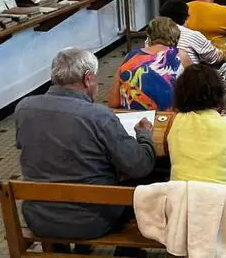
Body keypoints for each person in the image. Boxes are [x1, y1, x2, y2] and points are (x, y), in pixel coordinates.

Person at [15, 48, 155, 240]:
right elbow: (140, 166)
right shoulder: (98, 115)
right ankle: (126, 251)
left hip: (40, 218)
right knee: (148, 176)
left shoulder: (24, 108)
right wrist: (144, 136)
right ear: (88, 78)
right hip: (92, 221)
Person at [109, 17, 191, 111]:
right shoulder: (181, 56)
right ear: (176, 37)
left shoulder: (130, 57)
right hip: (167, 119)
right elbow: (194, 96)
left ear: (149, 37)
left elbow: (113, 102)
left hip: (133, 119)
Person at [159, 0, 223, 66]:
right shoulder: (193, 36)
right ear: (186, 17)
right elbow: (214, 58)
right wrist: (221, 52)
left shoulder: (152, 36)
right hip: (187, 75)